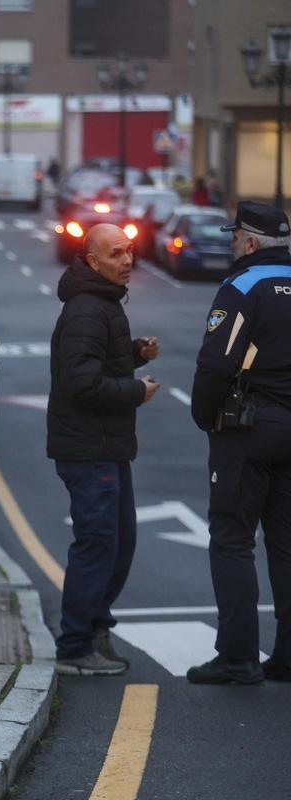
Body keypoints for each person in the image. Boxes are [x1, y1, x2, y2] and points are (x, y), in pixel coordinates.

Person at [47, 223, 161, 677]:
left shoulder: (103, 303)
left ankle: (95, 629)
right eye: (116, 254)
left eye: (130, 251)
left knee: (118, 544)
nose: (127, 261)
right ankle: (75, 645)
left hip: (106, 446)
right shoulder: (88, 310)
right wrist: (137, 390)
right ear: (93, 261)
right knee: (98, 545)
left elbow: (94, 362)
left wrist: (134, 354)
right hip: (89, 448)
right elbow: (80, 383)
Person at [187, 201, 291, 685]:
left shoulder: (243, 285)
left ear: (250, 241)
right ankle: (287, 656)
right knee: (286, 545)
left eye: (235, 236)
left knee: (232, 541)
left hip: (248, 429)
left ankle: (237, 657)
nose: (230, 243)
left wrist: (204, 416)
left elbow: (216, 362)